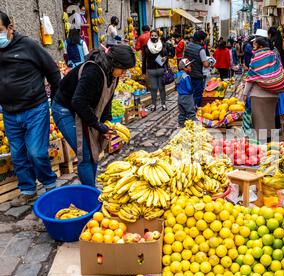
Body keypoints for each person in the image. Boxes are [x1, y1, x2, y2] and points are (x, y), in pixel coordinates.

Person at [52, 45, 135, 187]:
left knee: (93, 152)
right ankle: (91, 194)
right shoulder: (93, 72)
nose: (124, 73)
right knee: (85, 154)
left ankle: (90, 187)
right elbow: (78, 101)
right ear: (115, 63)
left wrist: (107, 123)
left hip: (83, 110)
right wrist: (98, 125)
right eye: (123, 69)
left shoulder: (112, 74)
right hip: (66, 110)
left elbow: (107, 100)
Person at [0, 11, 60, 206]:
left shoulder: (28, 45)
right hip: (9, 112)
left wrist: (57, 98)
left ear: (10, 28)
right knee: (17, 155)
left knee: (36, 152)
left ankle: (50, 185)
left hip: (35, 108)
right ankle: (28, 190)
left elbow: (52, 69)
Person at [242, 36, 284, 140]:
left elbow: (251, 78)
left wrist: (245, 94)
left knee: (260, 125)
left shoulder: (257, 57)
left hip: (258, 96)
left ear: (261, 45)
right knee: (269, 123)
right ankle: (270, 146)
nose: (253, 46)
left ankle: (262, 148)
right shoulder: (274, 55)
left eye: (255, 44)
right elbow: (279, 71)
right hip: (273, 95)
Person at [143, 30, 169, 112]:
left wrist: (166, 61)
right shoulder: (146, 46)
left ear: (158, 36)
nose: (153, 37)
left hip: (160, 68)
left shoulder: (162, 45)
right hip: (151, 69)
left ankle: (163, 104)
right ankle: (153, 104)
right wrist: (143, 70)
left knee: (161, 88)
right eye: (152, 35)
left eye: (155, 35)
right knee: (153, 88)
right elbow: (144, 59)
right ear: (150, 36)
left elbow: (166, 56)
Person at [184, 31, 211, 107]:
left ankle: (189, 108)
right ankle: (196, 110)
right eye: (204, 40)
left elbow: (185, 60)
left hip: (188, 74)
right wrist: (210, 62)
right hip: (197, 75)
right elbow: (205, 64)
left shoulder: (188, 46)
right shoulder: (201, 49)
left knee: (189, 93)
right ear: (201, 40)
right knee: (198, 94)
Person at [175, 59, 196, 127]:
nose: (191, 67)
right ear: (184, 67)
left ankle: (181, 125)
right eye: (189, 66)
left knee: (182, 113)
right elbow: (189, 88)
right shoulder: (186, 76)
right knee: (191, 112)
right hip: (187, 97)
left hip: (180, 97)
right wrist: (192, 91)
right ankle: (194, 125)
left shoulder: (177, 75)